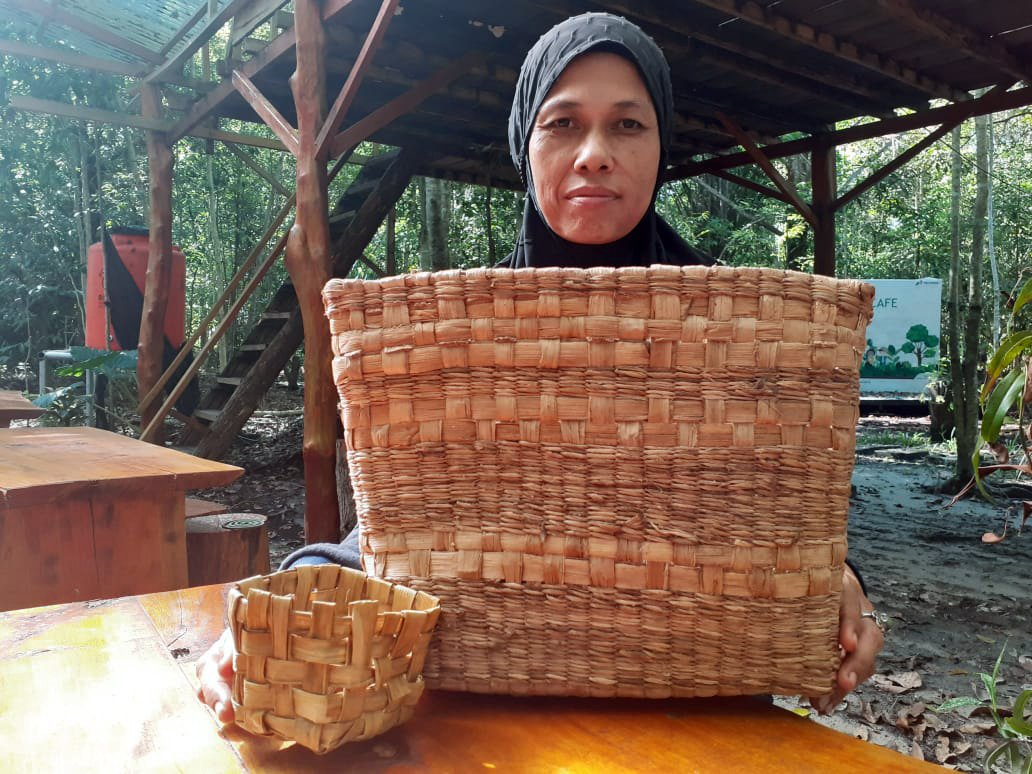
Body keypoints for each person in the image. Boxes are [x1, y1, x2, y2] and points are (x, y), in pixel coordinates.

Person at [197, 12, 883, 723]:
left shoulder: (746, 328)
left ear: (661, 145)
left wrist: (840, 578)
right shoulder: (453, 331)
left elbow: (788, 508)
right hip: (490, 722)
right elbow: (398, 528)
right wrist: (291, 604)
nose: (593, 153)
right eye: (562, 124)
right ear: (525, 144)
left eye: (626, 125)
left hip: (709, 714)